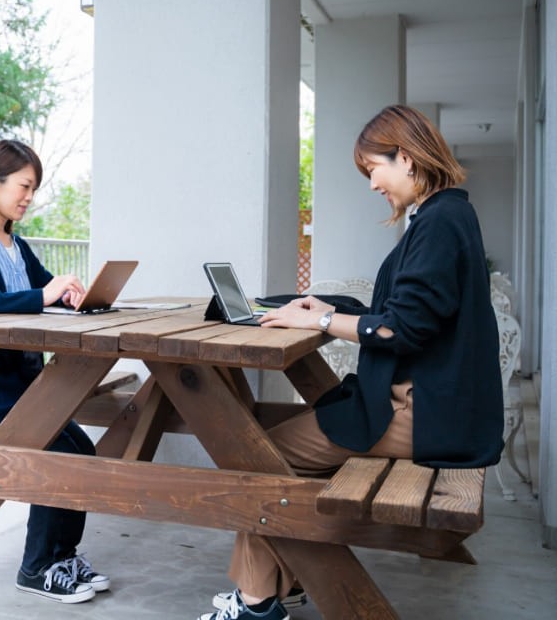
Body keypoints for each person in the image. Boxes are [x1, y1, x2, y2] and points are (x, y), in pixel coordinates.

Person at [199, 105, 503, 620]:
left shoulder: (440, 223)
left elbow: (401, 329)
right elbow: (407, 314)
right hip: (438, 405)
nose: (371, 185)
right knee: (288, 445)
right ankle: (283, 584)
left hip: (422, 414)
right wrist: (329, 309)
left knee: (261, 458)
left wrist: (316, 324)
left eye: (373, 169)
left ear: (405, 158)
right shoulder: (446, 216)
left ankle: (256, 604)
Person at [0, 139, 110, 604]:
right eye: (23, 187)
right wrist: (43, 295)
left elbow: (42, 289)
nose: (29, 197)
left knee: (80, 448)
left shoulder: (16, 245)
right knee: (55, 452)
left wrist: (67, 295)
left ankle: (61, 556)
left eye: (34, 189)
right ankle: (36, 569)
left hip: (18, 383)